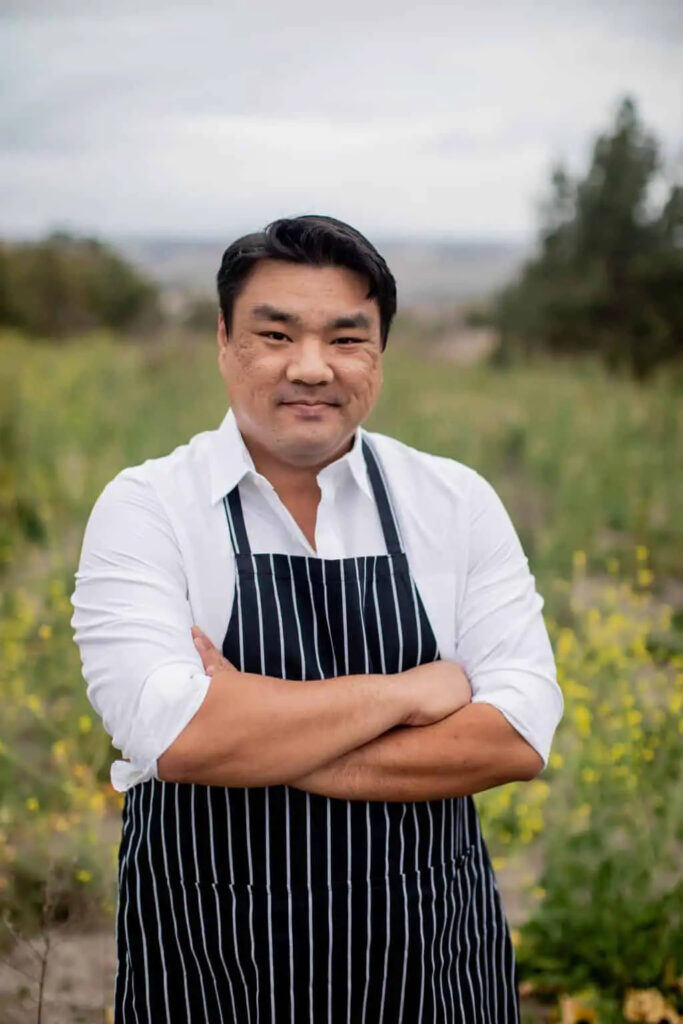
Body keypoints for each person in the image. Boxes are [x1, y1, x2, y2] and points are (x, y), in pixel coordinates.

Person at [70, 214, 563, 1023]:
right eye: (276, 334)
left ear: (378, 355)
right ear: (224, 340)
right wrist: (410, 692)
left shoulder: (455, 502)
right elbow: (175, 736)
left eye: (345, 338)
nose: (310, 368)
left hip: (430, 969)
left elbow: (514, 735)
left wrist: (252, 725)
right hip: (211, 966)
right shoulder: (148, 507)